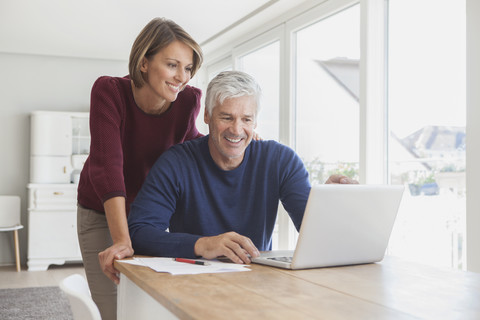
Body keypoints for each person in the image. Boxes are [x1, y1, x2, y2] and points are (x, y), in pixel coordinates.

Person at [128, 71, 357, 264]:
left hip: (256, 281)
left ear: (255, 121)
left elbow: (315, 236)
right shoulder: (176, 163)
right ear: (207, 115)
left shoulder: (280, 161)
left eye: (246, 119)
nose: (237, 130)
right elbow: (139, 232)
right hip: (193, 280)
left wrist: (328, 206)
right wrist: (203, 244)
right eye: (226, 117)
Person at [76, 17, 203, 320]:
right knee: (113, 308)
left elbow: (192, 146)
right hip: (99, 210)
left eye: (188, 68)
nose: (182, 77)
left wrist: (243, 141)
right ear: (144, 62)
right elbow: (108, 166)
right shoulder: (109, 92)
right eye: (172, 65)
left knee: (148, 304)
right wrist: (122, 240)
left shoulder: (188, 102)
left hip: (147, 216)